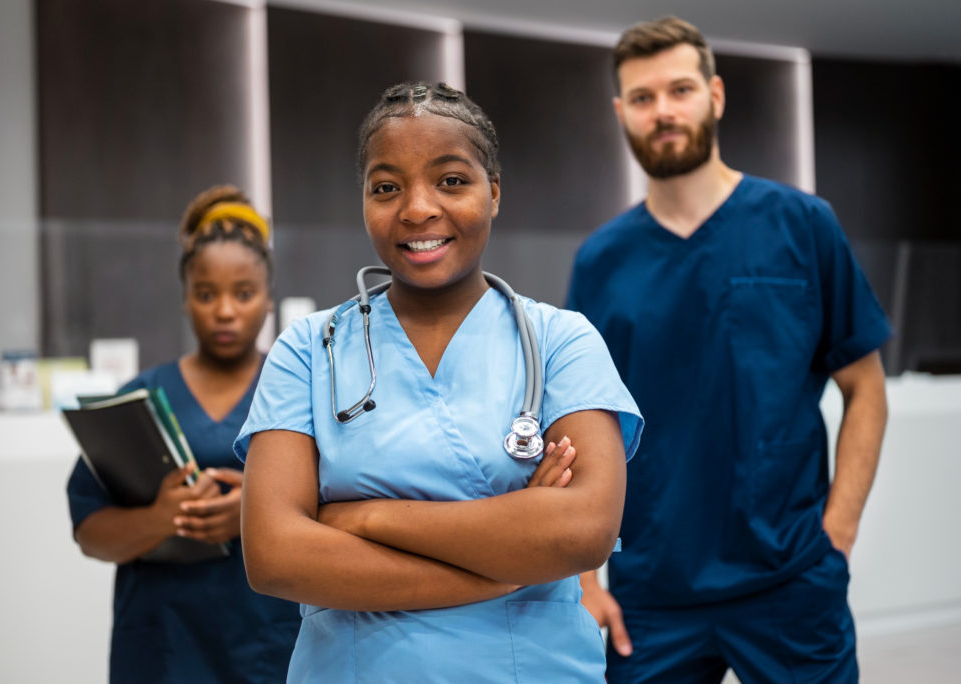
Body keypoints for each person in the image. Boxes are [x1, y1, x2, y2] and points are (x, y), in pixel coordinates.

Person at [235, 81, 644, 682]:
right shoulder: (310, 348)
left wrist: (366, 518)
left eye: (451, 180)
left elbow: (583, 531)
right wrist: (509, 559)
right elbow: (274, 555)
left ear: (494, 192)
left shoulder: (563, 342)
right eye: (386, 187)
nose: (418, 208)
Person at [567, 16, 892, 683]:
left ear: (714, 96)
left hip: (790, 579)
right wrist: (582, 579)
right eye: (643, 97)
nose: (663, 111)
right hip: (651, 594)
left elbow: (866, 389)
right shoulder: (601, 261)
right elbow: (578, 427)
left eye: (679, 90)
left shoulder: (802, 225)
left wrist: (838, 536)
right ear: (621, 113)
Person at [66, 186, 301, 684]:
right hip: (161, 649)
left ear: (268, 300)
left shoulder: (298, 394)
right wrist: (160, 518)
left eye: (243, 293)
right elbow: (90, 532)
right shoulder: (139, 401)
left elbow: (348, 514)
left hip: (267, 646)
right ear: (185, 297)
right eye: (206, 293)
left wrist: (252, 513)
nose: (225, 311)